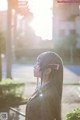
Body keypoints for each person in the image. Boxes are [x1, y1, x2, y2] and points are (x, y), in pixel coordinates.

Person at [25, 51, 63, 120]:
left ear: (48, 71)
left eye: (38, 64)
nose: (34, 66)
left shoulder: (48, 96)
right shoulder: (45, 89)